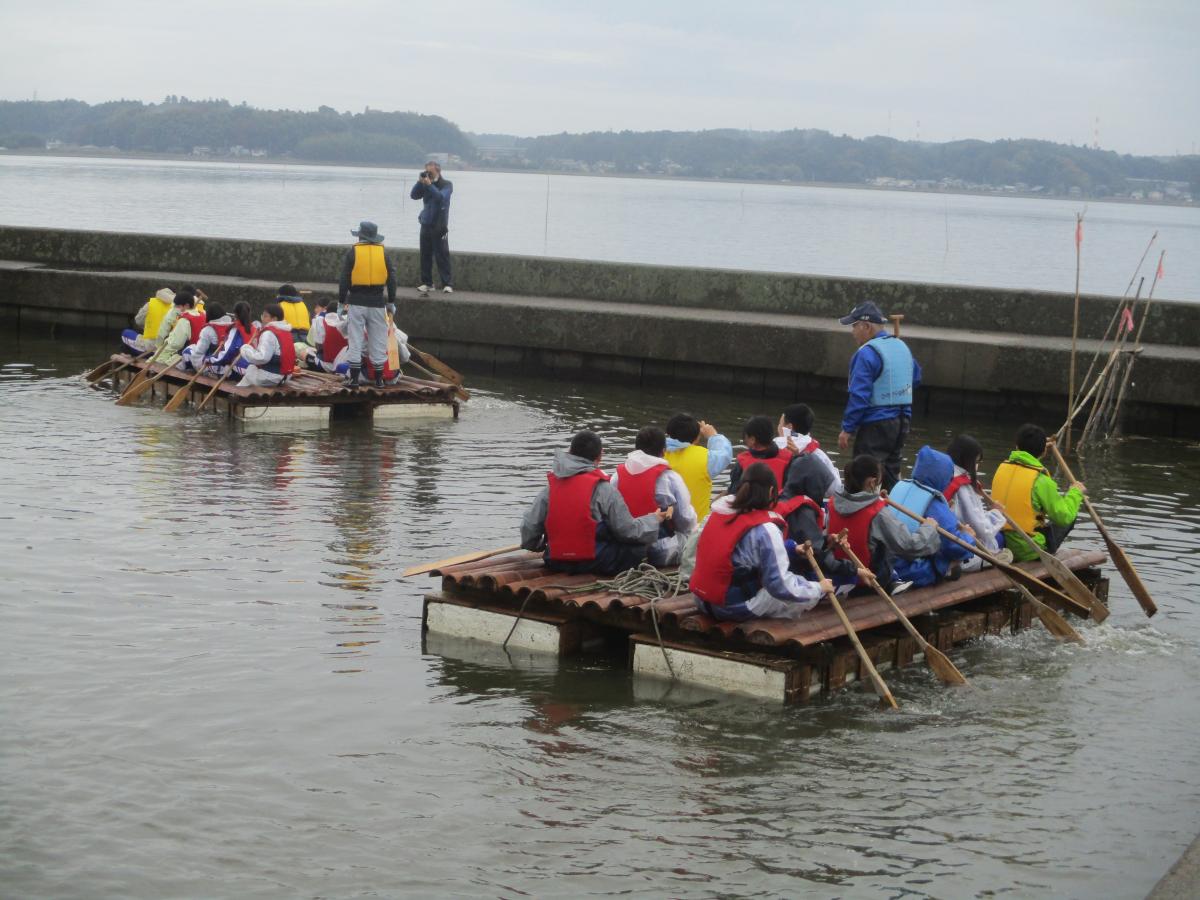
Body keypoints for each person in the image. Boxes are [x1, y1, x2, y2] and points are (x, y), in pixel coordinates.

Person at [688, 463, 831, 621]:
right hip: (731, 608)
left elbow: (741, 551)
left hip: (701, 600)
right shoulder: (767, 529)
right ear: (771, 492)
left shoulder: (716, 513)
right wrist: (819, 588)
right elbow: (780, 585)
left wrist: (791, 548)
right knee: (802, 589)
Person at [520, 430, 667, 576]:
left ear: (570, 451)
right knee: (637, 549)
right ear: (600, 456)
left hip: (554, 560)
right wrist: (654, 519)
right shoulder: (604, 489)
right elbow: (628, 532)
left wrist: (538, 546)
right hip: (595, 561)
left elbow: (529, 526)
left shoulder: (550, 488)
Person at [836, 301, 922, 490]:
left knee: (862, 474)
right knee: (891, 473)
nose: (852, 331)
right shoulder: (902, 347)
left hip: (876, 423)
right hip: (902, 422)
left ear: (866, 327)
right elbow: (914, 378)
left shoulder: (867, 353)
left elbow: (859, 396)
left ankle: (858, 515)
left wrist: (847, 429)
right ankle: (891, 512)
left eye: (854, 325)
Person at [827, 455, 940, 592]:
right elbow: (910, 546)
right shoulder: (877, 512)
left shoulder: (833, 502)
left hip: (839, 573)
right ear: (872, 483)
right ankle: (893, 580)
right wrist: (929, 527)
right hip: (867, 580)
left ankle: (894, 579)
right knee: (895, 546)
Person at [991, 423, 1085, 562]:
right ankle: (1046, 553)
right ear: (1043, 452)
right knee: (1069, 512)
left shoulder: (1002, 468)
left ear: (1017, 446)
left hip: (1001, 540)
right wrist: (1076, 492)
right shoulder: (1040, 480)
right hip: (1028, 549)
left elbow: (1022, 458)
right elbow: (1064, 517)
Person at [885, 445, 979, 583]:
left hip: (885, 562)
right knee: (952, 556)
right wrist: (968, 537)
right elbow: (955, 548)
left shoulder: (900, 486)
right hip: (910, 571)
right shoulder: (934, 505)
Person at [610, 426, 697, 566]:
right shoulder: (669, 478)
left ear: (636, 448)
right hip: (656, 550)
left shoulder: (616, 476)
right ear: (663, 451)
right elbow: (685, 520)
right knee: (695, 536)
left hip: (623, 548)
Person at [777, 450, 858, 584]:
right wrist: (854, 569)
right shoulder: (803, 511)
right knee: (851, 578)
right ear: (814, 482)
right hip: (793, 574)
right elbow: (818, 556)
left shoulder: (780, 498)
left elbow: (803, 541)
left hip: (782, 565)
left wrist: (826, 541)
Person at [338, 221, 396, 388]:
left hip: (356, 302)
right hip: (378, 303)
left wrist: (342, 301)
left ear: (360, 235)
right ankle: (379, 380)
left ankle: (354, 380)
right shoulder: (384, 253)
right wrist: (391, 301)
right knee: (378, 341)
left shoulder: (353, 252)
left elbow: (344, 279)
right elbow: (392, 279)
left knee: (355, 339)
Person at [945, 434, 1010, 559]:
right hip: (962, 543)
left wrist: (991, 512)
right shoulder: (962, 487)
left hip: (948, 537)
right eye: (977, 462)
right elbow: (981, 530)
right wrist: (997, 513)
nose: (977, 465)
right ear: (968, 461)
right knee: (1001, 538)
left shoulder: (943, 473)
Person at [664, 413, 733, 523]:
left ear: (668, 433)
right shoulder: (706, 459)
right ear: (697, 438)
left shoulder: (657, 454)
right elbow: (725, 453)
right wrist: (713, 435)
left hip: (662, 526)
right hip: (693, 530)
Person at [773, 403, 842, 496]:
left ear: (789, 427)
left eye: (780, 424)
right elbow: (836, 489)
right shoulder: (818, 455)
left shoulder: (769, 450)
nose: (778, 427)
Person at [410, 161, 453, 294]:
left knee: (442, 254)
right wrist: (419, 182)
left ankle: (447, 283)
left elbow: (440, 198)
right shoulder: (425, 184)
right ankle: (427, 283)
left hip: (439, 225)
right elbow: (414, 196)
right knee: (425, 255)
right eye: (426, 171)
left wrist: (430, 185)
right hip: (426, 223)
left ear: (438, 170)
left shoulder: (447, 185)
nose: (428, 174)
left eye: (431, 172)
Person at [728, 415, 794, 494]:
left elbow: (734, 491)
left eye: (745, 437)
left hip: (748, 505)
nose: (744, 440)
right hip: (778, 503)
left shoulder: (742, 461)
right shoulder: (789, 458)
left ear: (752, 439)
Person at [236, 303, 295, 388]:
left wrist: (245, 349)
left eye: (265, 316)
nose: (262, 319)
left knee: (250, 368)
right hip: (286, 376)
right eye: (262, 316)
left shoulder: (268, 333)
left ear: (274, 319)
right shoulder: (286, 331)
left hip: (271, 377)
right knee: (252, 370)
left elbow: (262, 358)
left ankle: (237, 393)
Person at [154, 291, 207, 367]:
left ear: (186, 305)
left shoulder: (184, 320)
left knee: (155, 359)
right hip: (197, 354)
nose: (176, 308)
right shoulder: (202, 315)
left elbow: (176, 344)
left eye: (178, 306)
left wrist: (168, 339)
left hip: (184, 356)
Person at [205, 301, 258, 377]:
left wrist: (210, 359)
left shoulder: (235, 329)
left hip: (240, 366)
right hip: (253, 366)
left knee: (207, 365)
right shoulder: (254, 328)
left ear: (235, 314)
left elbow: (228, 353)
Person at [180, 302, 231, 372]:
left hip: (211, 365)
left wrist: (196, 366)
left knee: (188, 350)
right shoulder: (232, 327)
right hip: (226, 366)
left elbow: (199, 352)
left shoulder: (208, 330)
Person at [121, 287, 175, 353]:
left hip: (149, 348)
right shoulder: (178, 307)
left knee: (126, 333)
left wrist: (148, 326)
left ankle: (130, 354)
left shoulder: (151, 304)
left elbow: (138, 321)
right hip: (167, 350)